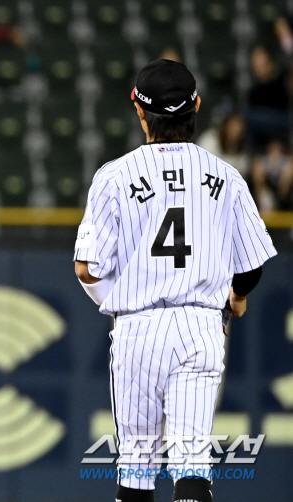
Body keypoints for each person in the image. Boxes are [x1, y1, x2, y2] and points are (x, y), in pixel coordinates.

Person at [73, 59, 276, 502]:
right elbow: (252, 266)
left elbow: (87, 268)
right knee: (191, 465)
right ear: (197, 106)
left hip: (137, 329)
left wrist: (121, 303)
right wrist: (236, 298)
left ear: (140, 111)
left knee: (136, 472)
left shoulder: (114, 176)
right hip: (200, 326)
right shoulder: (226, 177)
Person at [251, 139, 293, 211]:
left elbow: (288, 177)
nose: (275, 151)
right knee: (266, 200)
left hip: (285, 194)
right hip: (267, 189)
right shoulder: (261, 161)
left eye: (277, 148)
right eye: (273, 148)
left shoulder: (288, 161)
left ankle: (281, 202)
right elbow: (258, 178)